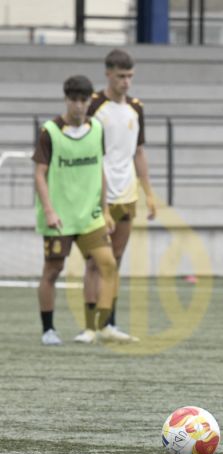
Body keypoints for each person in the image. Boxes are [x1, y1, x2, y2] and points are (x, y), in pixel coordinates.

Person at [75, 49, 156, 344]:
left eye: (130, 76)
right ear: (108, 73)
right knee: (96, 262)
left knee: (116, 260)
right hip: (98, 195)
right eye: (121, 76)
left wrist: (149, 192)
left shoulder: (136, 108)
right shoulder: (94, 106)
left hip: (126, 194)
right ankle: (89, 326)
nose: (127, 82)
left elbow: (139, 152)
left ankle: (109, 323)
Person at [33, 75, 118, 345]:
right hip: (60, 217)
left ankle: (97, 326)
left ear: (90, 100)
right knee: (53, 270)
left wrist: (105, 209)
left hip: (90, 216)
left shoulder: (97, 129)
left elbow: (100, 170)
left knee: (107, 264)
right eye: (74, 100)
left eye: (84, 100)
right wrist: (49, 210)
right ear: (66, 100)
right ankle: (48, 329)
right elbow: (39, 174)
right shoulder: (51, 131)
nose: (79, 106)